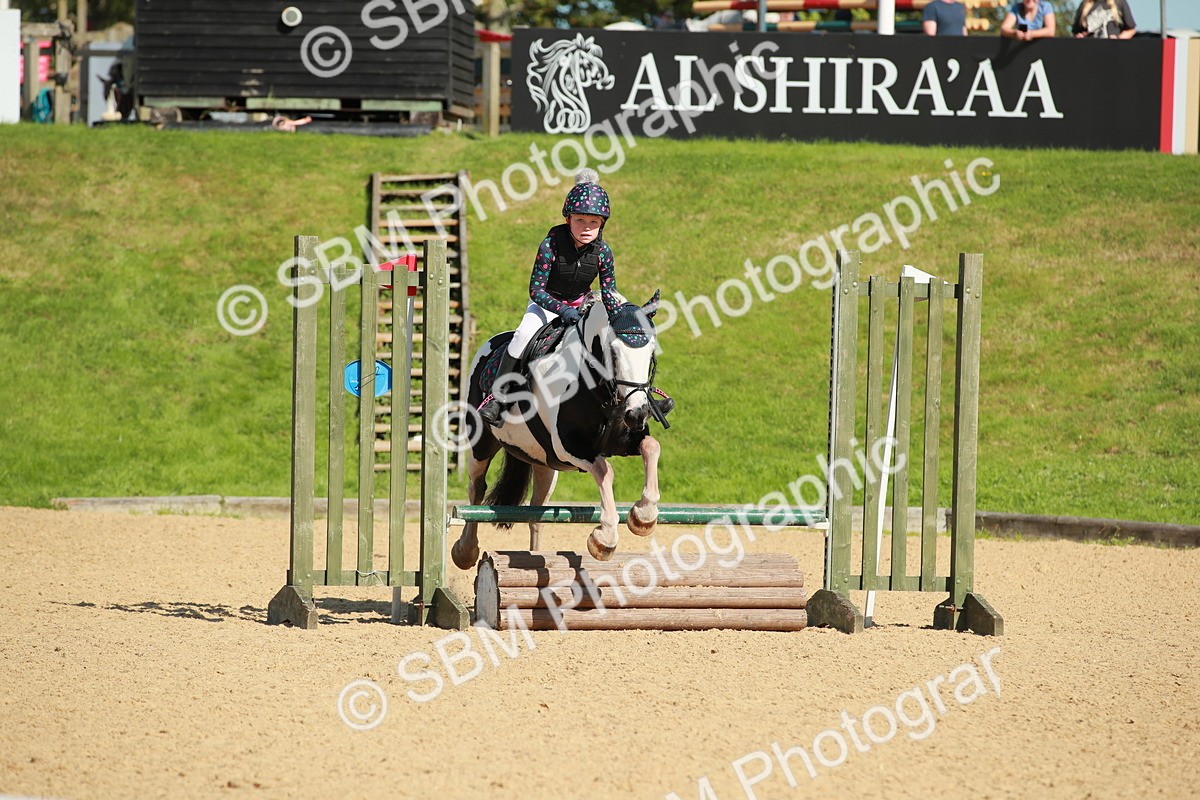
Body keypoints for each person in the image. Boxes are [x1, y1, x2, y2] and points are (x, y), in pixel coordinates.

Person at [480, 169, 671, 427]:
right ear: (568, 219)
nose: (586, 227)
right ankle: (497, 399)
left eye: (594, 222)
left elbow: (609, 291)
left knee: (619, 340)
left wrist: (627, 315)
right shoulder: (550, 245)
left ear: (602, 224)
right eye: (580, 220)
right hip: (546, 304)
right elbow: (536, 290)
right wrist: (563, 310)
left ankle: (641, 397)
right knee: (522, 336)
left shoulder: (603, 252)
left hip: (584, 303)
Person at [1071, 0, 1136, 39]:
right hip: (1089, 51)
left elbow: (1131, 30)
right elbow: (1076, 32)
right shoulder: (1085, 5)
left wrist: (1118, 38)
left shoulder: (1119, 2)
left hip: (1113, 51)